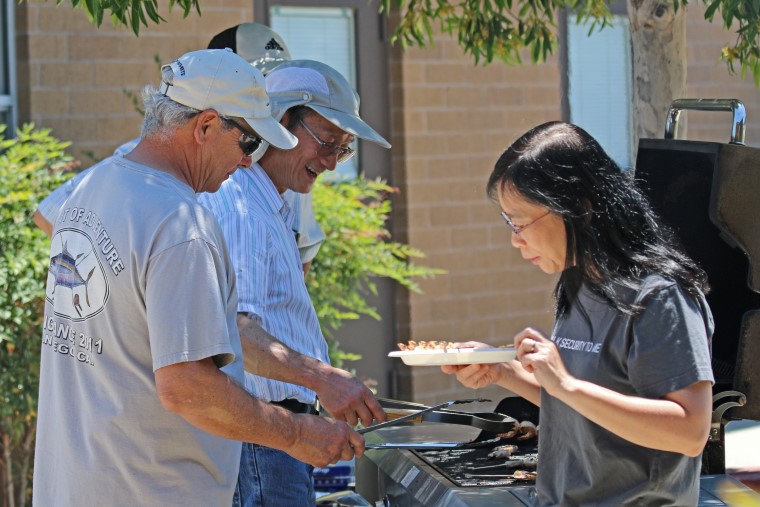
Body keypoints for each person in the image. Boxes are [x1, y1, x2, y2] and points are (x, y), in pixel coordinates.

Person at [33, 49, 365, 507]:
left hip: (75, 486)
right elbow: (188, 387)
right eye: (249, 143)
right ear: (206, 126)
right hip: (151, 489)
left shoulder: (93, 191)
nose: (249, 163)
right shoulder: (180, 224)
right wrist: (295, 433)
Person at [442, 121, 715, 505]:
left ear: (580, 208)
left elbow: (689, 432)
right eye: (509, 223)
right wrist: (504, 372)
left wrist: (566, 384)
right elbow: (579, 409)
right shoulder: (582, 283)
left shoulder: (660, 299)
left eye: (520, 222)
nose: (514, 238)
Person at [198, 60, 391, 507]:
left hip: (275, 438)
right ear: (280, 122)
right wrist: (323, 379)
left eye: (341, 151)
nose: (329, 163)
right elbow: (235, 332)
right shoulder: (241, 205)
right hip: (261, 443)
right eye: (326, 142)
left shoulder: (269, 203)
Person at [34, 22, 326, 276]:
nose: (269, 99)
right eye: (258, 84)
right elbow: (52, 216)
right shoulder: (150, 157)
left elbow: (298, 266)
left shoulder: (287, 170)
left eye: (278, 86)